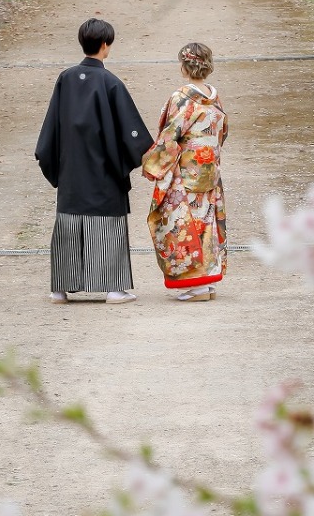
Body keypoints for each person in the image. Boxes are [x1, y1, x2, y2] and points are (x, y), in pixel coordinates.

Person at [35, 18, 153, 305]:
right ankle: (113, 289)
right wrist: (144, 152)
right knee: (106, 226)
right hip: (103, 171)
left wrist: (56, 164)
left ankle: (59, 290)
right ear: (105, 45)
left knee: (68, 224)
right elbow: (132, 133)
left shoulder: (65, 78)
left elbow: (50, 129)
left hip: (71, 170)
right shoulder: (110, 82)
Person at [142, 42, 228, 302]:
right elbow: (222, 133)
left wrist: (152, 163)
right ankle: (208, 281)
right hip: (210, 168)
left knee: (183, 223)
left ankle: (196, 286)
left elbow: (169, 136)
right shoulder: (214, 96)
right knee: (207, 222)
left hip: (186, 171)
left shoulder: (182, 97)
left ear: (184, 66)